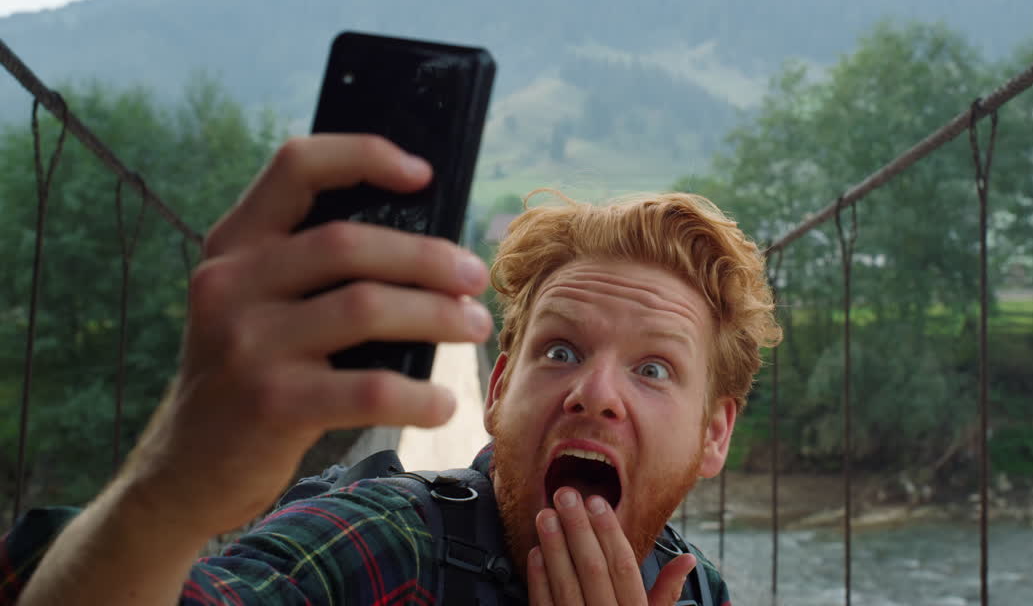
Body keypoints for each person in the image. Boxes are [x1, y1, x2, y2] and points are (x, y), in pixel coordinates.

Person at [2, 134, 781, 606]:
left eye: (652, 369)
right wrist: (169, 487)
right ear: (499, 388)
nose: (594, 394)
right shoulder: (387, 547)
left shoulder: (694, 589)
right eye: (561, 351)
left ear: (715, 434)